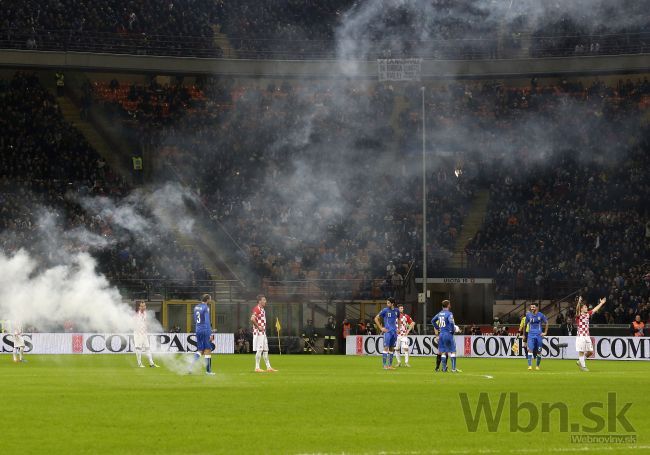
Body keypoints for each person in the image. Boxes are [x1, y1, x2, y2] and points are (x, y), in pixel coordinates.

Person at [575, 296, 607, 372]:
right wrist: (579, 302)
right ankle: (583, 367)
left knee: (590, 352)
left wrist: (601, 303)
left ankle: (580, 361)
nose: (587, 308)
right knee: (581, 351)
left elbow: (595, 309)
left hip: (587, 336)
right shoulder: (579, 316)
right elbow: (577, 310)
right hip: (581, 336)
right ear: (581, 309)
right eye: (585, 307)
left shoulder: (588, 314)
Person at [431, 300, 461, 373]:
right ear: (448, 305)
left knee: (443, 352)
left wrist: (438, 328)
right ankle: (453, 369)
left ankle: (444, 369)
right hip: (448, 334)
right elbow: (451, 322)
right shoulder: (449, 314)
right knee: (453, 351)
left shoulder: (439, 314)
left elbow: (432, 321)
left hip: (441, 334)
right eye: (449, 304)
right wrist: (452, 330)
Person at [251, 295, 277, 372]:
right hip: (259, 333)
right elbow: (252, 319)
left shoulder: (262, 309)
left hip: (263, 332)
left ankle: (268, 367)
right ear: (259, 301)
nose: (265, 301)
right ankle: (257, 367)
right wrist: (258, 327)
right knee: (260, 349)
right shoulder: (257, 308)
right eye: (264, 300)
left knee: (265, 350)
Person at [191, 294, 215, 375]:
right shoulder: (206, 308)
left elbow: (195, 319)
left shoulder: (196, 307)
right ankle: (208, 371)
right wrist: (210, 333)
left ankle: (190, 366)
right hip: (205, 330)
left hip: (198, 329)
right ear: (207, 300)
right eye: (210, 299)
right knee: (208, 350)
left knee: (200, 350)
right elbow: (207, 321)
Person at [374, 297, 399, 370]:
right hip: (387, 332)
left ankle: (390, 365)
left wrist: (398, 329)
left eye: (388, 303)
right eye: (387, 303)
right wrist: (381, 328)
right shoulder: (385, 310)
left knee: (391, 349)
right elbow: (376, 318)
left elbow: (399, 319)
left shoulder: (397, 311)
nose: (387, 304)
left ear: (392, 304)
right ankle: (384, 365)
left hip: (394, 332)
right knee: (386, 347)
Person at [134, 301, 159, 368]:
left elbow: (146, 323)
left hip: (144, 333)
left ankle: (151, 363)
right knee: (138, 348)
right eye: (142, 306)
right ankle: (139, 364)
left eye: (144, 306)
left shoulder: (145, 313)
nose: (143, 307)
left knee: (147, 348)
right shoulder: (136, 314)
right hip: (138, 334)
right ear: (139, 307)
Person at [525, 303, 549, 371]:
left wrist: (545, 332)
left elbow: (546, 322)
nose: (532, 308)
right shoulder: (528, 315)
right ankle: (529, 366)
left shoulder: (541, 315)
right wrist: (524, 335)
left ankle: (537, 366)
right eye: (531, 307)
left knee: (539, 351)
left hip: (539, 335)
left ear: (537, 308)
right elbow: (525, 325)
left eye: (533, 307)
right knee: (530, 350)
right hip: (530, 335)